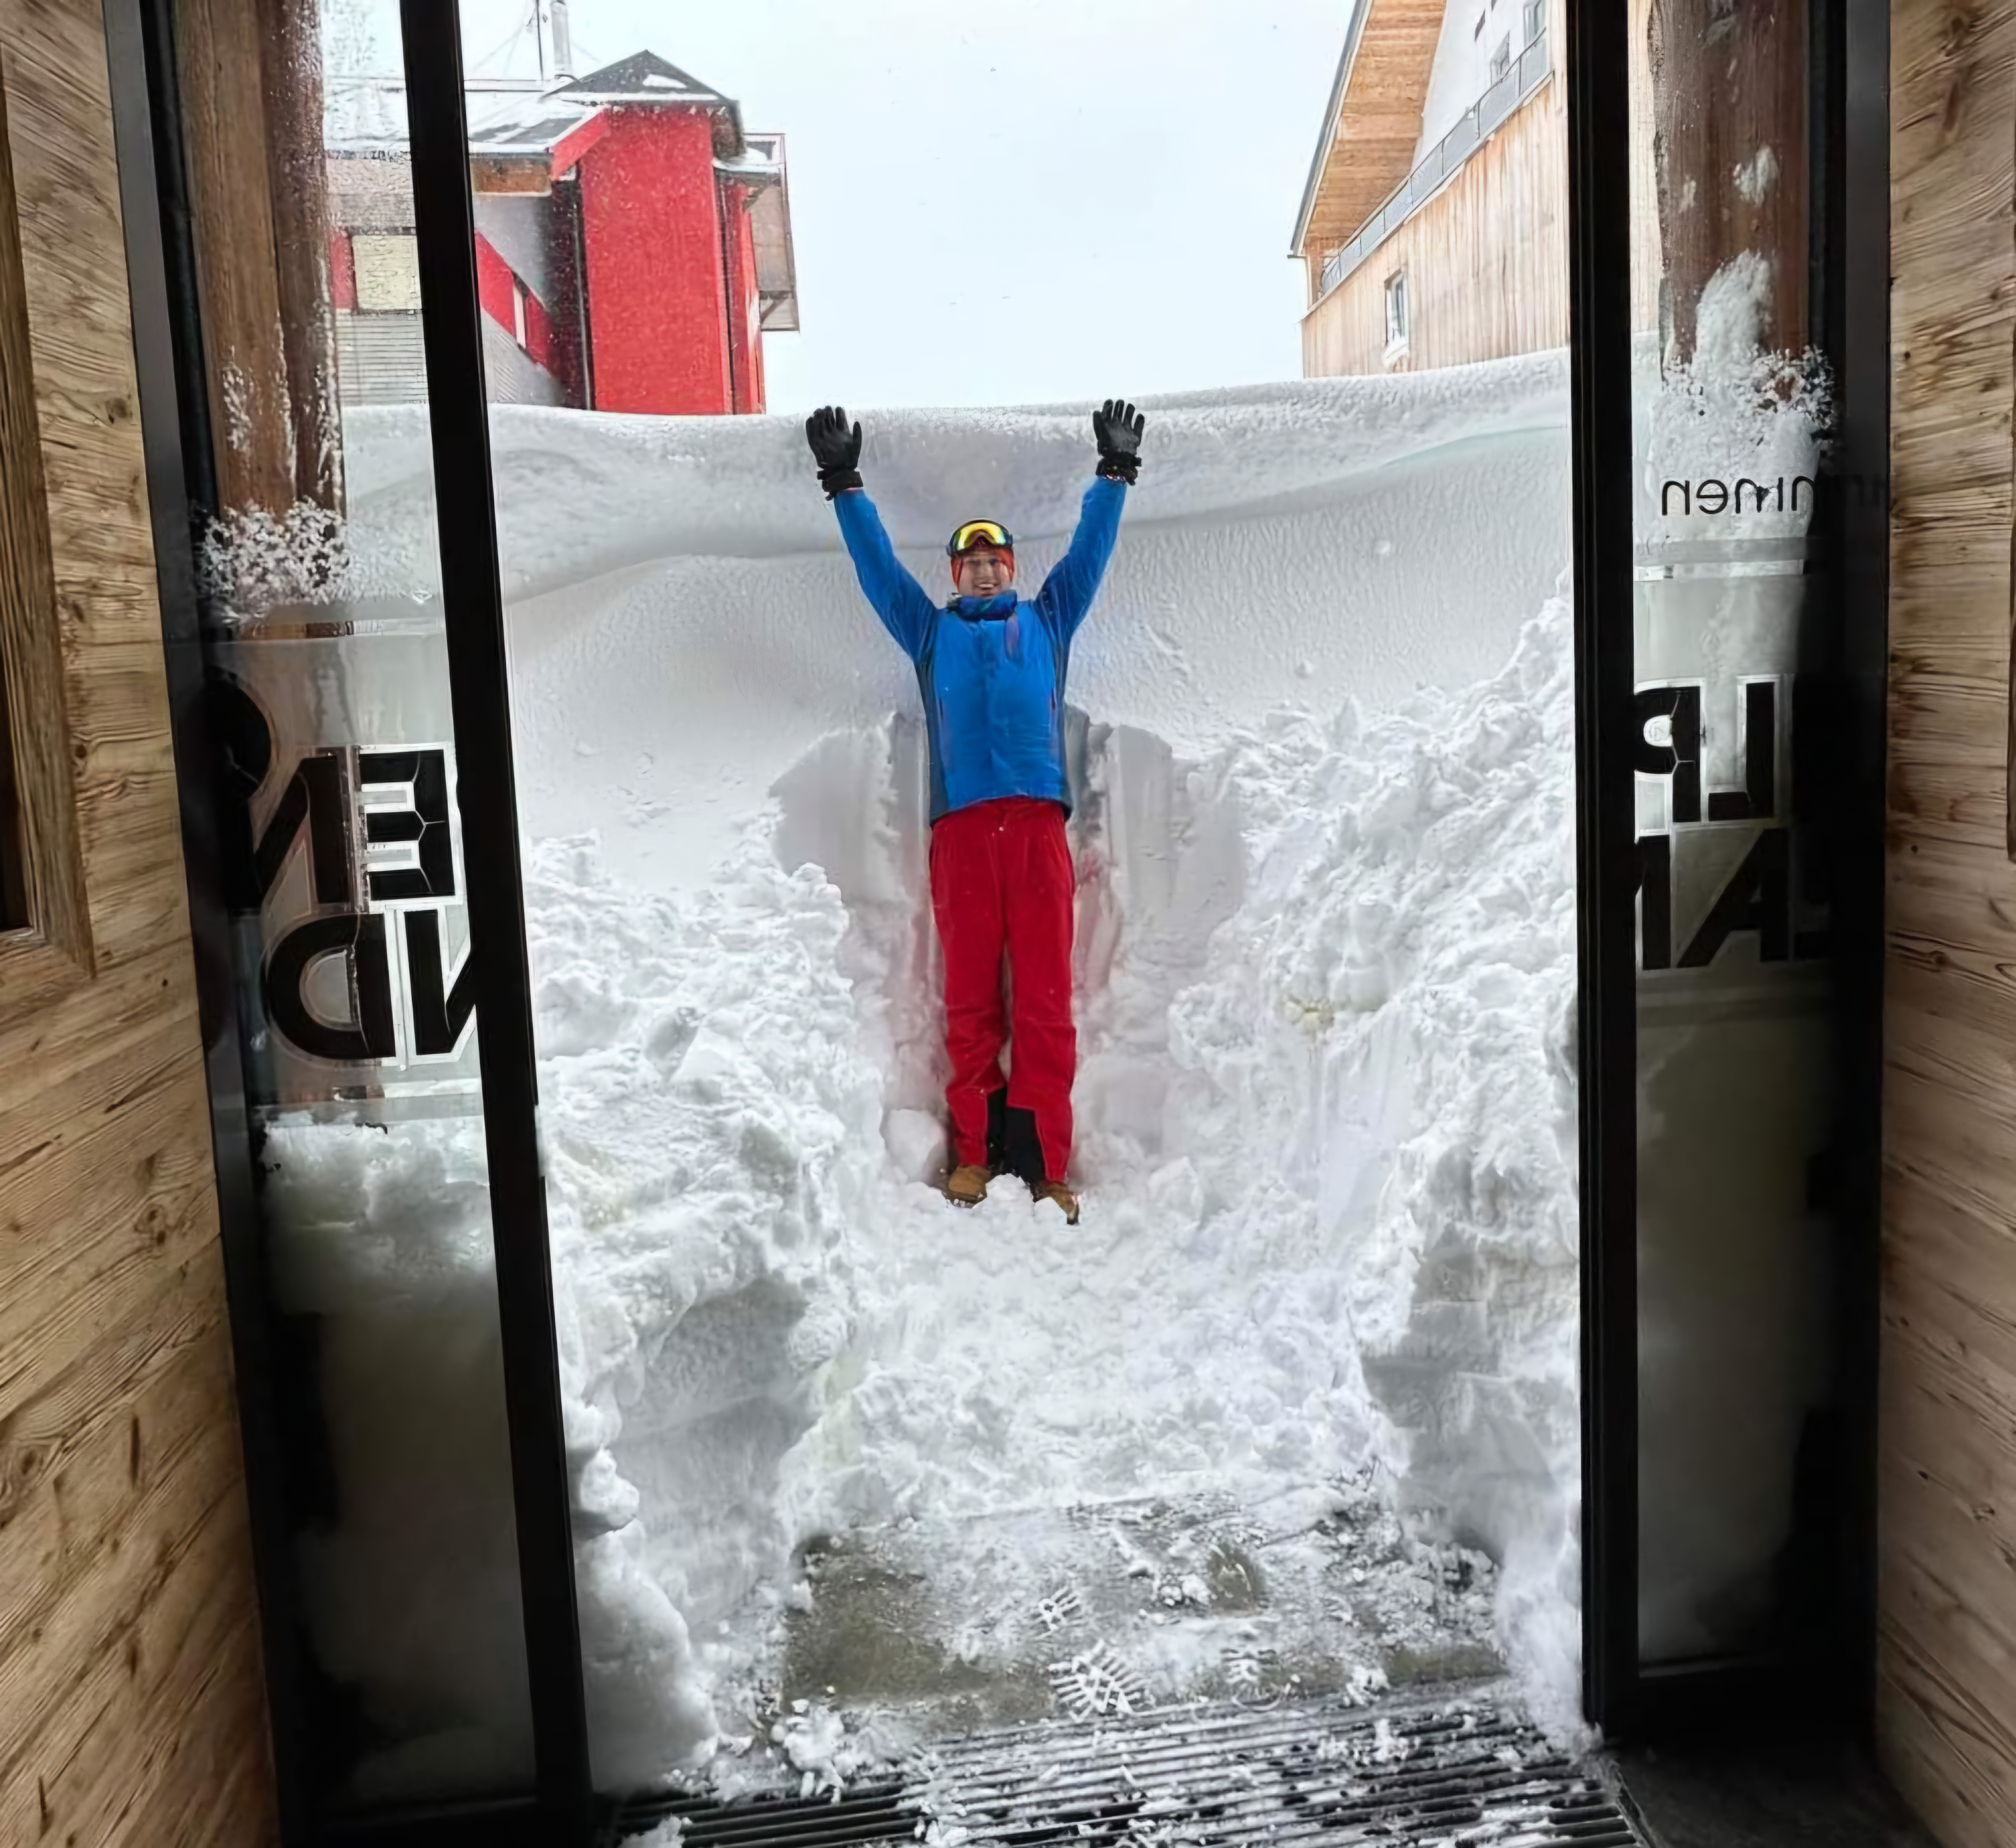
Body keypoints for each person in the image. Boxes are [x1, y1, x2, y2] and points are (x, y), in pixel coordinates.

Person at [805, 398, 1146, 1224]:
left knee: (1042, 1001)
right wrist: (844, 483)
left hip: (1036, 833)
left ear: (1013, 570)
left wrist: (1114, 474)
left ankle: (1043, 1161)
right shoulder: (932, 638)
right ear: (954, 577)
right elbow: (880, 574)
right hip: (960, 838)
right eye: (970, 563)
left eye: (996, 558)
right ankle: (973, 1151)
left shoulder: (1048, 625)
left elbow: (1089, 559)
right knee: (970, 1001)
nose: (985, 570)